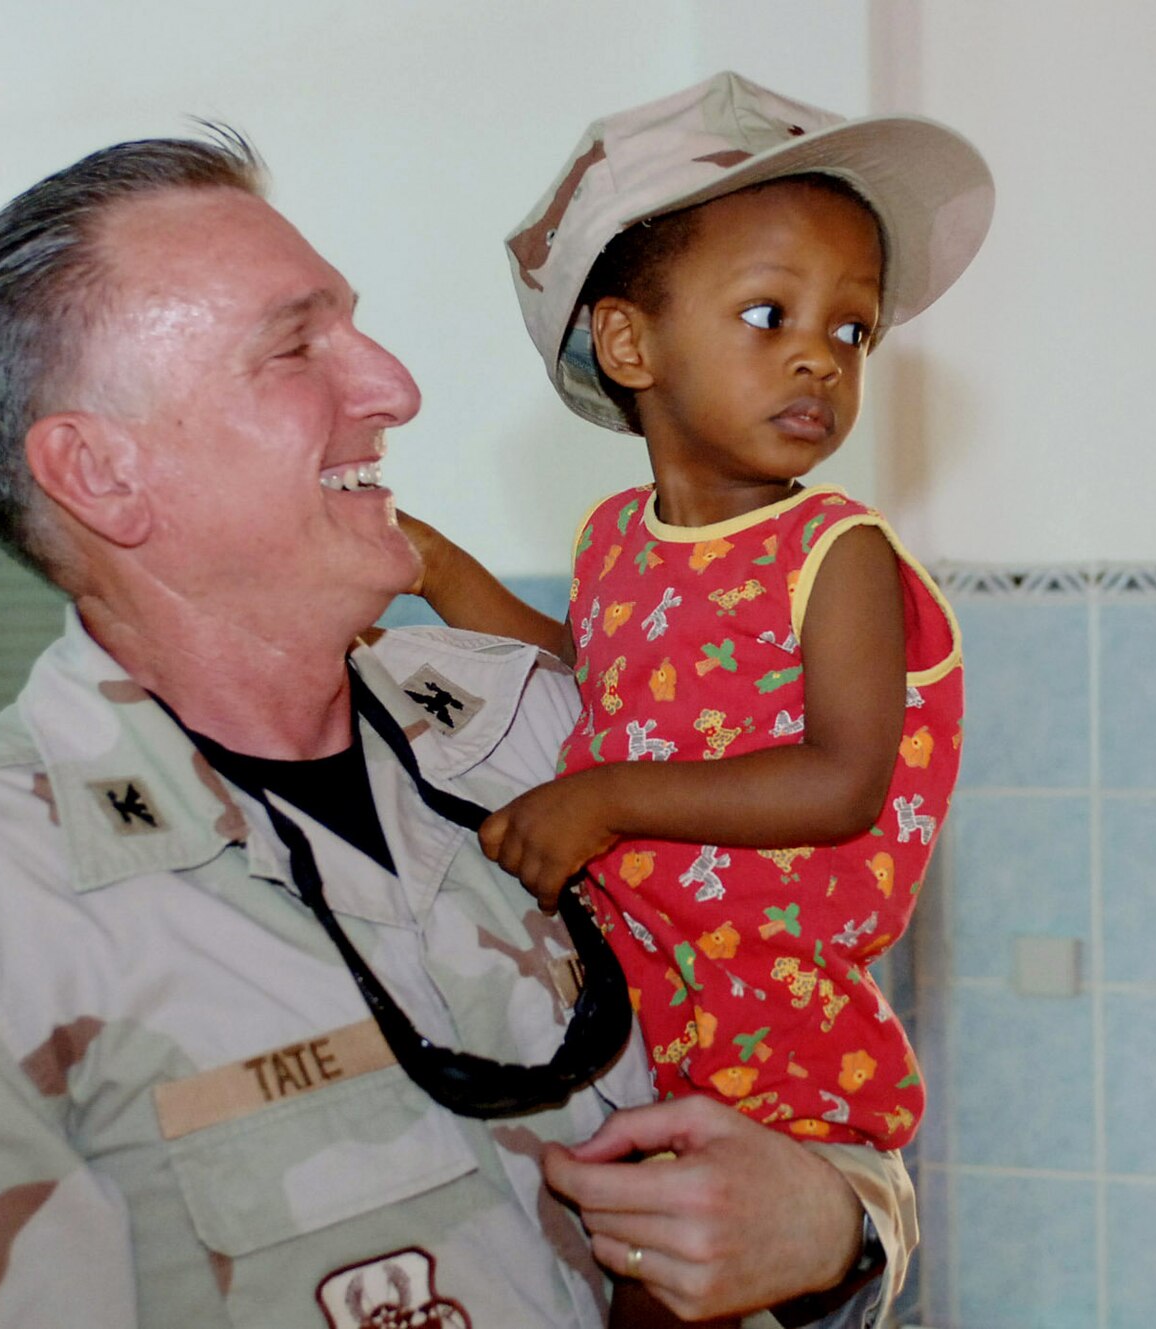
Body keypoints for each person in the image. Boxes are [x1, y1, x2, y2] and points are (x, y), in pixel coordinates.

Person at [0, 125, 915, 1329]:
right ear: (100, 474)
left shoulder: (535, 726)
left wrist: (839, 1232)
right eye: (297, 345)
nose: (393, 386)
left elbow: (807, 1082)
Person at [405, 73, 993, 1151]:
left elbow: (838, 781)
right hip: (642, 978)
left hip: (771, 1025)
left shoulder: (837, 553)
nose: (821, 353)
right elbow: (606, 687)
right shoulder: (616, 535)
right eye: (769, 314)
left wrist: (604, 799)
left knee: (687, 1283)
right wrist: (438, 569)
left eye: (852, 329)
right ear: (630, 347)